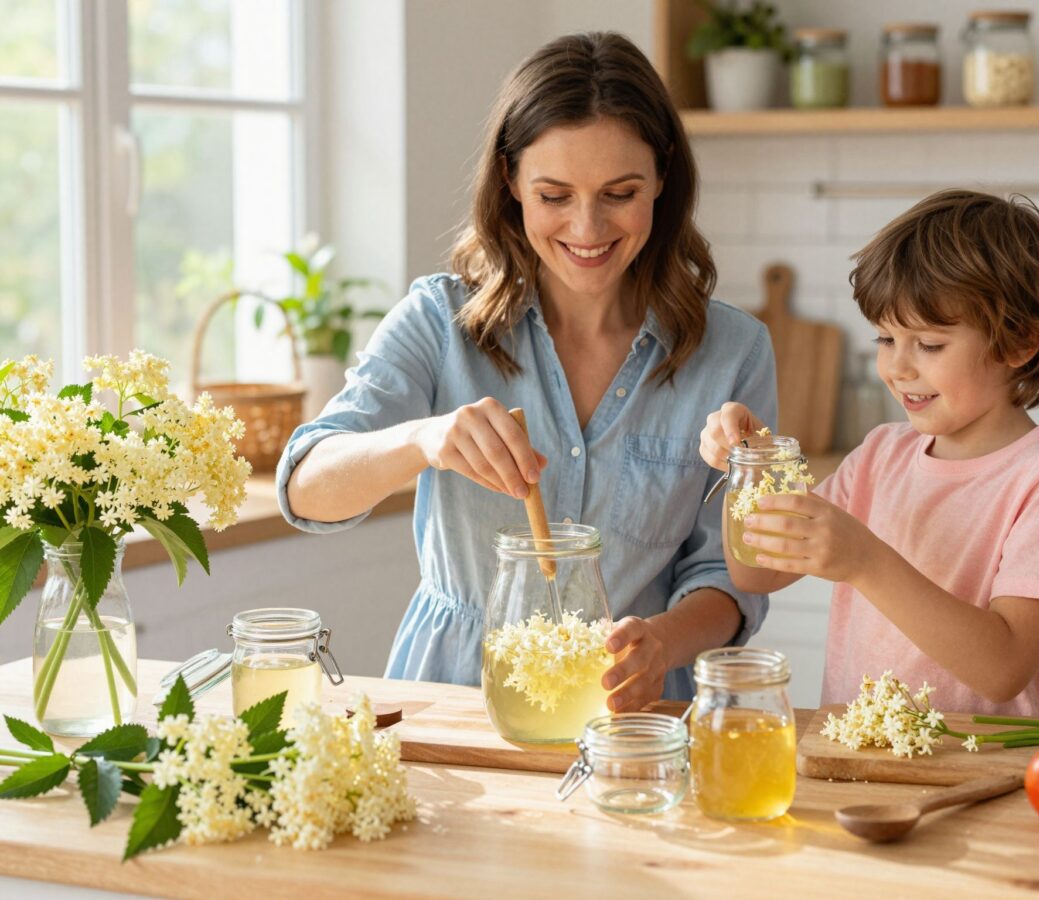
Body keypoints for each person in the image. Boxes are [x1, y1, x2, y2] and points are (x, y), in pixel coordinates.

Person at [276, 32, 776, 710]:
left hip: (634, 713)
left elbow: (729, 571)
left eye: (620, 192)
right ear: (510, 181)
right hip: (452, 701)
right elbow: (306, 486)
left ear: (662, 176)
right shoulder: (436, 320)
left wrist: (660, 641)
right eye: (555, 194)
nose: (588, 226)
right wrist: (424, 440)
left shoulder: (733, 350)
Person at [700, 189, 1039, 717]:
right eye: (885, 339)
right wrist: (749, 468)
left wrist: (864, 561)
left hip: (985, 777)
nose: (897, 368)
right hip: (858, 761)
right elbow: (758, 573)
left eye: (929, 345)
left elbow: (1004, 669)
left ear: (1019, 344)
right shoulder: (881, 455)